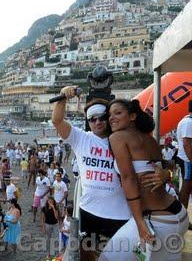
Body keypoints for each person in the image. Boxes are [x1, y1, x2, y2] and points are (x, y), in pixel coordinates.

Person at [52, 85, 170, 259]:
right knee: (86, 255)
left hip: (121, 213)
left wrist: (166, 174)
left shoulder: (122, 138)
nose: (98, 122)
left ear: (108, 118)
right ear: (88, 121)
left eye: (102, 117)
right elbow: (57, 121)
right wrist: (63, 95)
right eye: (92, 119)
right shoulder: (81, 138)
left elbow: (156, 162)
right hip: (89, 211)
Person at [99, 99, 189, 260]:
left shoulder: (118, 137)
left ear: (132, 116)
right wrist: (167, 174)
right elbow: (166, 167)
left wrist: (140, 223)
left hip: (156, 221)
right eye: (109, 115)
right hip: (178, 215)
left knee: (107, 258)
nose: (111, 118)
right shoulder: (150, 140)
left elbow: (128, 179)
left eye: (118, 113)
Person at [176, 99, 192, 230]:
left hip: (188, 159)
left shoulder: (187, 120)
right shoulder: (188, 122)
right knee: (186, 188)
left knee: (187, 188)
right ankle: (182, 219)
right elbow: (187, 144)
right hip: (188, 160)